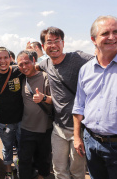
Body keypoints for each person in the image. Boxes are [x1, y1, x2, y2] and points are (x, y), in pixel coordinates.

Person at [36, 27, 94, 179]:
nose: (53, 45)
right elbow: (30, 68)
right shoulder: (46, 64)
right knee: (59, 169)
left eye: (57, 41)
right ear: (43, 46)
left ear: (63, 43)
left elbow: (101, 60)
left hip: (80, 128)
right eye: (49, 42)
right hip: (59, 127)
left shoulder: (78, 58)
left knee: (77, 171)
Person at [73, 15, 117, 179]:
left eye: (116, 32)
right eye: (106, 33)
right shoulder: (85, 70)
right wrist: (77, 137)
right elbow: (79, 105)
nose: (112, 37)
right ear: (93, 39)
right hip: (91, 142)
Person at [0, 47, 24, 179]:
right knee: (7, 148)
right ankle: (8, 171)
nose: (2, 61)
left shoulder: (17, 70)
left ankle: (21, 170)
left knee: (22, 147)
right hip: (4, 121)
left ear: (10, 59)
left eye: (5, 57)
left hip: (21, 119)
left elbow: (35, 67)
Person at [17, 50, 53, 179]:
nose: (24, 67)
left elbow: (56, 100)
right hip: (27, 128)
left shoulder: (45, 77)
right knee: (24, 160)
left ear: (34, 61)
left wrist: (43, 98)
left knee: (44, 159)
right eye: (20, 64)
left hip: (45, 128)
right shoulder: (21, 78)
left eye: (27, 63)